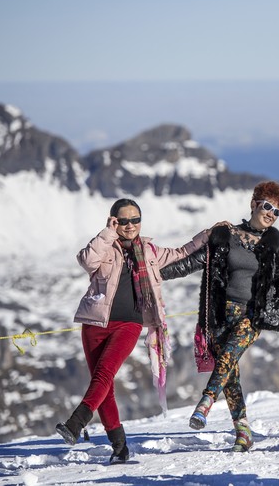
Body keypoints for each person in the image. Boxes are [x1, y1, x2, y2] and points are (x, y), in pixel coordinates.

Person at [159, 181, 279, 452]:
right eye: (268, 206)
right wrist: (155, 275)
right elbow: (192, 263)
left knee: (229, 355)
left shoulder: (274, 244)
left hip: (252, 315)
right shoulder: (225, 236)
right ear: (254, 203)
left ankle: (206, 402)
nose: (271, 214)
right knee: (230, 372)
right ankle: (243, 432)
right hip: (219, 313)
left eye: (277, 211)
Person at [56, 198, 212, 464]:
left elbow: (182, 252)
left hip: (129, 324)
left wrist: (210, 233)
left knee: (104, 374)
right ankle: (120, 447)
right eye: (124, 221)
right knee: (104, 386)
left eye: (135, 220)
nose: (130, 226)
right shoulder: (105, 248)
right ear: (114, 221)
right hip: (94, 324)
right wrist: (107, 232)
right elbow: (86, 260)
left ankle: (77, 421)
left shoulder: (149, 250)